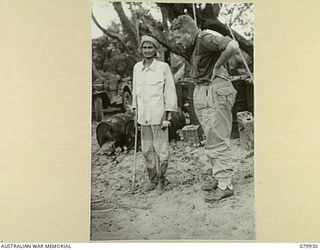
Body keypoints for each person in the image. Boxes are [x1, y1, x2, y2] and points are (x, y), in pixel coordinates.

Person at [170, 15, 239, 202]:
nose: (177, 41)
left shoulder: (204, 38)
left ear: (188, 32)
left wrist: (217, 66)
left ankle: (226, 185)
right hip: (204, 89)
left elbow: (232, 46)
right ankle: (220, 178)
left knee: (217, 138)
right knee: (210, 137)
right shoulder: (193, 46)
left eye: (178, 37)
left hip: (215, 89)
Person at [132, 35, 178, 194]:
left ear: (155, 49)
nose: (147, 50)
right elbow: (135, 92)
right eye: (144, 47)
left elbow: (170, 92)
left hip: (159, 115)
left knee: (161, 148)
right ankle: (152, 179)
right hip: (143, 115)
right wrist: (134, 111)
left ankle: (161, 180)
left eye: (150, 47)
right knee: (146, 149)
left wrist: (167, 115)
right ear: (140, 50)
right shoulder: (137, 67)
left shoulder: (163, 67)